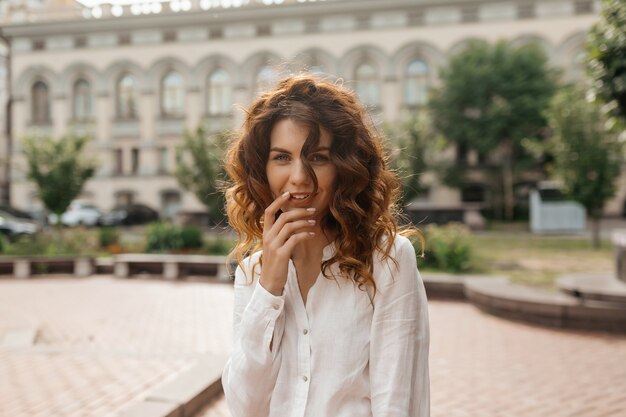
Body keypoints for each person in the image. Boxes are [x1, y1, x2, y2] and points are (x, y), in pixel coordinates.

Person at [221, 74, 430, 417]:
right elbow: (245, 406)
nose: (299, 177)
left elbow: (398, 402)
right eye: (282, 158)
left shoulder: (387, 260)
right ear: (262, 168)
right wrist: (270, 288)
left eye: (317, 157)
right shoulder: (253, 273)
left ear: (344, 166)